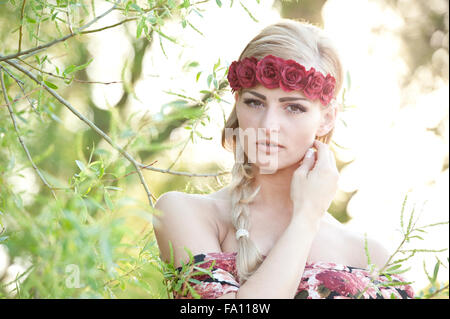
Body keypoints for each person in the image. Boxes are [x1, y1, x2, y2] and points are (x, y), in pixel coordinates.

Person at [152, 18, 415, 299]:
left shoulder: (372, 259)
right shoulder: (187, 214)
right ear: (238, 103)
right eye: (255, 102)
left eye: (293, 108)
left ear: (327, 118)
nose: (268, 125)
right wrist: (305, 219)